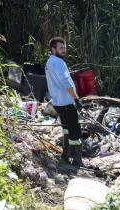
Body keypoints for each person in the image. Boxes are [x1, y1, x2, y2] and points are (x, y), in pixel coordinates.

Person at [45, 37, 83, 166]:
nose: (64, 50)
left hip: (57, 103)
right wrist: (76, 99)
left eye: (65, 48)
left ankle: (65, 155)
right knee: (75, 131)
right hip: (66, 102)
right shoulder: (59, 63)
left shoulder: (49, 62)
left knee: (66, 128)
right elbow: (66, 82)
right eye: (61, 48)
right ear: (53, 49)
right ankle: (77, 161)